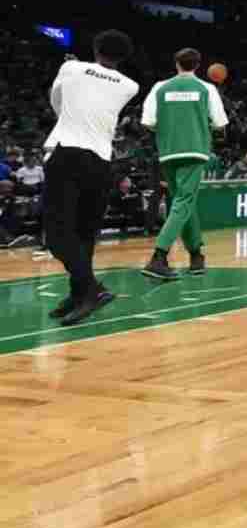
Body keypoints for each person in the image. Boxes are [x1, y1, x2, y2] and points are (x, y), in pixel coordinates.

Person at [42, 31, 140, 324]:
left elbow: (56, 101)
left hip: (67, 153)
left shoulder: (71, 67)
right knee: (84, 233)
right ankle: (78, 294)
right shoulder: (130, 85)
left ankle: (91, 290)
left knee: (57, 236)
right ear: (124, 56)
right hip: (100, 163)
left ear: (95, 47)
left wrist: (71, 77)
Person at [139, 48, 230, 280]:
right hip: (195, 150)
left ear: (176, 63)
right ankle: (158, 256)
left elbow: (148, 122)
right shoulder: (207, 88)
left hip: (168, 152)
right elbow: (220, 124)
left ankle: (196, 256)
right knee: (184, 201)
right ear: (198, 65)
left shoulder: (160, 87)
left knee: (182, 202)